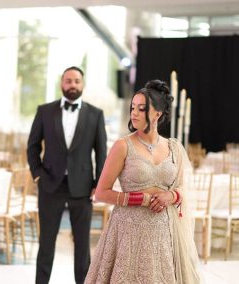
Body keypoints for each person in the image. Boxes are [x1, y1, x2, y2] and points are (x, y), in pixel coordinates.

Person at [85, 79, 202, 283]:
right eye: (133, 108)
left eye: (141, 108)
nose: (134, 113)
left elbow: (184, 187)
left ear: (157, 113)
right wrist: (141, 199)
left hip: (164, 234)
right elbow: (102, 192)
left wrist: (171, 195)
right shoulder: (122, 146)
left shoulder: (174, 148)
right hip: (128, 234)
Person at [27, 66, 107, 284]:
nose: (73, 85)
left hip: (82, 189)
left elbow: (102, 153)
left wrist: (97, 185)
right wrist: (37, 175)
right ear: (62, 84)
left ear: (83, 85)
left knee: (82, 247)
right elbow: (32, 146)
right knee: (46, 245)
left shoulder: (95, 115)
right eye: (69, 81)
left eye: (77, 81)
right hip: (50, 186)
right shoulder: (44, 111)